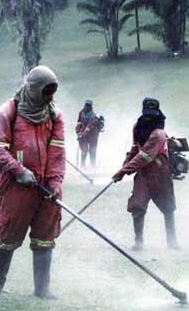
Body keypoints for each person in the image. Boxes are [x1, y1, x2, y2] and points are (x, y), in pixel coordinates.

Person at [0, 65, 66, 298]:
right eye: (45, 91)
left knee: (45, 237)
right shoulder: (9, 110)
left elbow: (58, 153)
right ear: (34, 88)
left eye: (52, 92)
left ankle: (42, 289)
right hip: (18, 186)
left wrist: (55, 183)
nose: (49, 97)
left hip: (46, 187)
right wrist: (19, 170)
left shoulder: (54, 114)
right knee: (9, 234)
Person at [112, 97, 179, 250]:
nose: (149, 117)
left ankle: (172, 242)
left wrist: (124, 171)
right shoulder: (137, 127)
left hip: (160, 172)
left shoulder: (159, 134)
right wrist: (124, 165)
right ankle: (139, 242)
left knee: (168, 208)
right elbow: (136, 149)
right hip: (143, 174)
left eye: (152, 114)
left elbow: (145, 156)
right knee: (137, 206)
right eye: (147, 114)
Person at [76, 100, 102, 169]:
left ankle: (93, 166)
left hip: (93, 133)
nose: (87, 107)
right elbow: (79, 122)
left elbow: (88, 127)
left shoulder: (92, 115)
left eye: (89, 105)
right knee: (84, 149)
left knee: (92, 150)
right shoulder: (81, 113)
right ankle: (82, 166)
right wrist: (77, 131)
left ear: (91, 106)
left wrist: (81, 135)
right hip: (84, 132)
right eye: (86, 105)